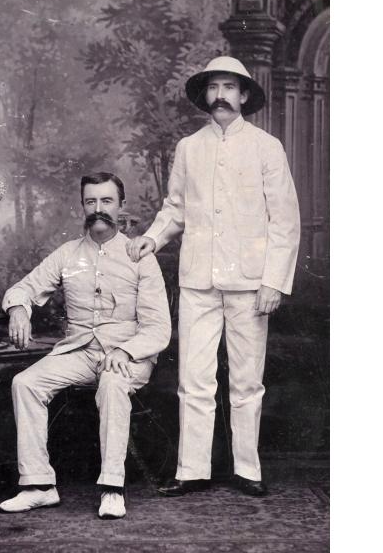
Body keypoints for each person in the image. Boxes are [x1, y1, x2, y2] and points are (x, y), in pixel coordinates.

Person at [127, 56, 301, 497]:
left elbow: (285, 220)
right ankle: (193, 470)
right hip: (198, 281)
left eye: (229, 87)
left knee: (246, 381)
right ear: (205, 95)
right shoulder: (190, 147)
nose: (220, 95)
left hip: (249, 284)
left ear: (244, 95)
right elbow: (176, 208)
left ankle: (248, 470)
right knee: (194, 379)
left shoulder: (267, 147)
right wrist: (152, 238)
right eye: (213, 87)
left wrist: (273, 281)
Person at [0, 172, 171, 519]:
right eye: (91, 201)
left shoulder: (140, 256)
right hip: (79, 351)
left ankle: (112, 488)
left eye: (106, 201)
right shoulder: (67, 254)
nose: (98, 209)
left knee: (111, 382)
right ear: (83, 205)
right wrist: (19, 309)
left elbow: (159, 329)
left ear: (121, 206)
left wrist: (124, 351)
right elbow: (23, 288)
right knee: (25, 383)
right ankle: (38, 486)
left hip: (128, 354)